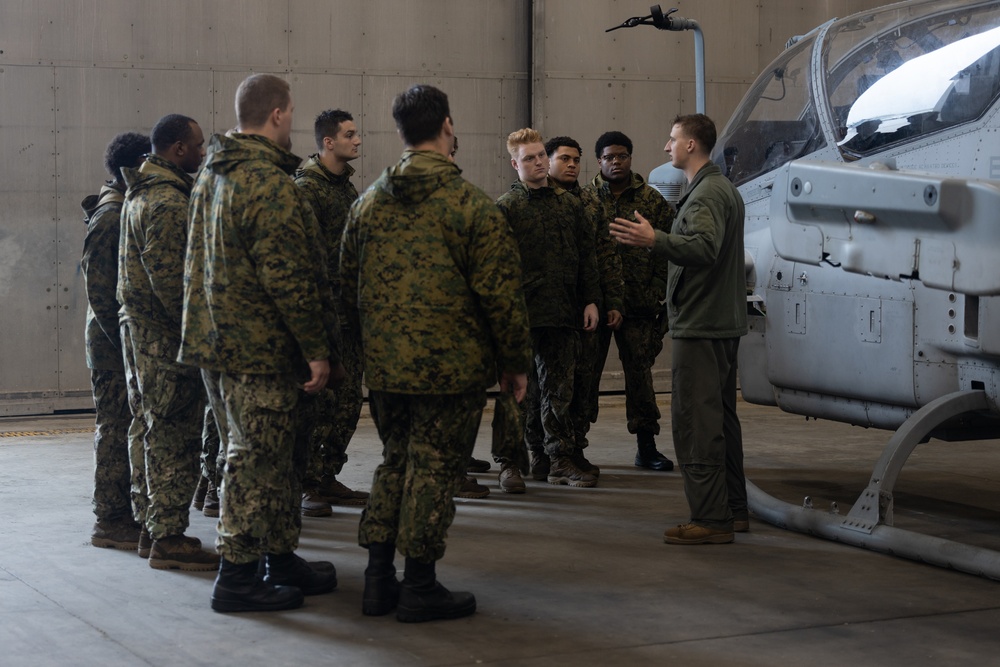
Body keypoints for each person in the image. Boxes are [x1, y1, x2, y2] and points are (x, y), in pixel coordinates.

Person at [341, 84, 531, 622]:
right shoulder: (471, 206)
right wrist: (514, 362)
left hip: (385, 369)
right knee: (433, 471)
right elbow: (501, 295)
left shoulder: (366, 204)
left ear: (401, 131)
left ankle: (379, 580)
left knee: (395, 462)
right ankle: (420, 585)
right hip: (451, 373)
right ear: (447, 125)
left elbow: (343, 286)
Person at [180, 73, 343, 612]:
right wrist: (317, 348)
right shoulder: (266, 183)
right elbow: (288, 276)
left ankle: (278, 555)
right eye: (291, 112)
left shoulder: (212, 173)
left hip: (222, 345)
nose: (292, 121)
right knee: (255, 462)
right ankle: (239, 576)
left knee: (273, 457)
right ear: (277, 115)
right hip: (261, 351)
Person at [609, 113, 749, 545]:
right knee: (721, 420)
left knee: (696, 421)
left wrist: (655, 240)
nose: (667, 147)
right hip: (719, 322)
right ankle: (733, 510)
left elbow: (704, 247)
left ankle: (710, 518)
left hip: (702, 323)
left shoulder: (706, 194)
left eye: (673, 140)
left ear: (692, 145)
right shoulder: (719, 188)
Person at [118, 114, 218, 570]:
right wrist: (202, 339)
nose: (202, 152)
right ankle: (169, 536)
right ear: (179, 149)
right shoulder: (167, 203)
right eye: (198, 145)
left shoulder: (141, 194)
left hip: (145, 340)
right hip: (167, 345)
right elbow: (174, 288)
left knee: (150, 427)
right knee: (174, 436)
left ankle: (150, 527)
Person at [496, 129, 602, 490]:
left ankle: (557, 459)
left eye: (542, 155)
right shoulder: (506, 208)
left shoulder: (570, 205)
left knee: (559, 391)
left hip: (562, 312)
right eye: (530, 158)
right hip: (520, 317)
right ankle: (512, 462)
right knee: (518, 393)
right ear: (515, 164)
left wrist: (590, 300)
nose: (540, 162)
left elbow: (587, 255)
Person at [293, 109, 369, 517]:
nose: (357, 141)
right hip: (326, 316)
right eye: (350, 135)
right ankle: (307, 483)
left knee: (347, 402)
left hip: (351, 314)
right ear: (328, 142)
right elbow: (305, 259)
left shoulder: (345, 189)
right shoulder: (308, 188)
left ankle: (326, 475)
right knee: (320, 404)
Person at [587, 131, 675, 472]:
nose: (616, 162)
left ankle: (647, 447)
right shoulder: (587, 199)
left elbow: (665, 247)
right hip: (597, 304)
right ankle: (573, 446)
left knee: (640, 376)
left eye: (621, 156)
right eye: (609, 157)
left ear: (630, 158)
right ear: (599, 161)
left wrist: (656, 289)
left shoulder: (651, 200)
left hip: (639, 304)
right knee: (584, 375)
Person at [82, 132, 149, 551]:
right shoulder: (110, 215)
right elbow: (101, 294)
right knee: (114, 429)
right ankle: (110, 519)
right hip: (110, 348)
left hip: (117, 344)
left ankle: (122, 512)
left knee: (123, 428)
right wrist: (126, 344)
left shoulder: (122, 206)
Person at [545, 136, 625, 475]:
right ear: (547, 161)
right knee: (552, 388)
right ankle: (550, 454)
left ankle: (575, 448)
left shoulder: (591, 203)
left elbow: (604, 255)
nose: (572, 165)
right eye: (564, 159)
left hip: (588, 309)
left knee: (585, 385)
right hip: (551, 312)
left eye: (576, 160)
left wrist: (612, 301)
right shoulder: (537, 200)